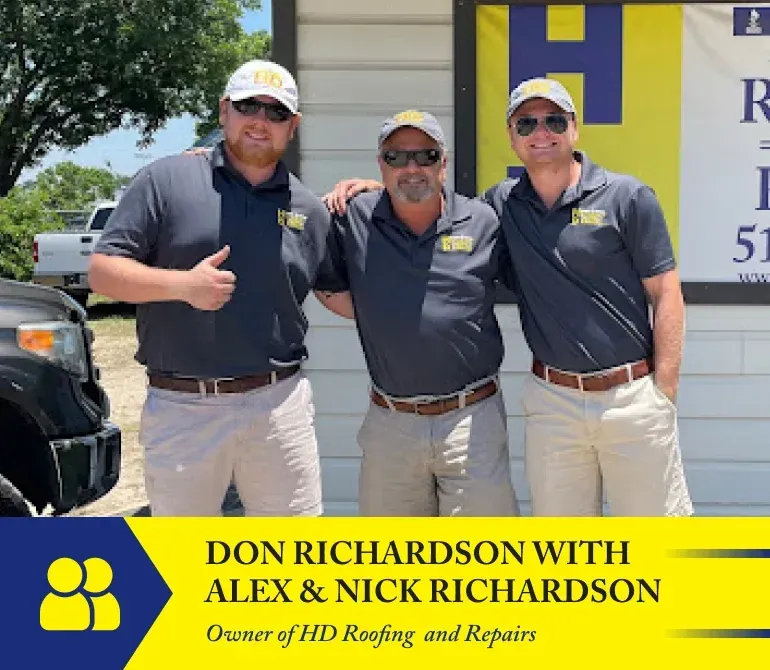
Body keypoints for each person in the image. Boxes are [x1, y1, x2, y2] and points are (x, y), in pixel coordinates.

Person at [323, 80, 693, 518]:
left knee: (657, 539)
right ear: (512, 136)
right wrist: (380, 186)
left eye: (553, 120)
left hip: (630, 396)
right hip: (552, 402)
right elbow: (422, 202)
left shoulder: (628, 197)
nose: (541, 131)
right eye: (527, 122)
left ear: (574, 128)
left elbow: (666, 291)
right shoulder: (500, 206)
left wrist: (662, 392)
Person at [88, 59, 346, 517]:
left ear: (294, 127)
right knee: (181, 565)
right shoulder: (166, 180)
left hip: (279, 404)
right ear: (224, 111)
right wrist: (183, 285)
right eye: (249, 106)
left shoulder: (308, 207)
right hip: (184, 405)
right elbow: (104, 272)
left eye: (276, 112)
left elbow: (333, 291)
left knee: (292, 558)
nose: (260, 121)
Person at [314, 110, 520, 517]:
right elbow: (325, 282)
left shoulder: (482, 221)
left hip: (472, 421)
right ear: (380, 164)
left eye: (425, 156)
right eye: (396, 158)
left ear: (444, 164)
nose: (412, 168)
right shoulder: (353, 216)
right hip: (391, 422)